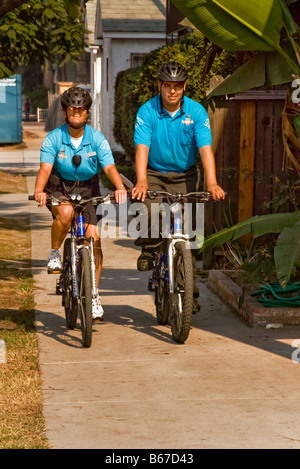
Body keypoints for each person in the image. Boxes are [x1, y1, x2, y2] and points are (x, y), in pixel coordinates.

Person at [131, 62, 225, 311]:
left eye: (177, 86)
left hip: (186, 176)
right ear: (159, 86)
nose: (172, 91)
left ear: (184, 87)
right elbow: (142, 148)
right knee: (149, 211)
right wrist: (141, 180)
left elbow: (205, 150)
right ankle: (150, 250)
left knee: (189, 235)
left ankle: (189, 293)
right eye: (167, 86)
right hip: (154, 174)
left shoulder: (197, 112)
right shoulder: (147, 111)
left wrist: (212, 182)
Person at [34, 86, 127, 320]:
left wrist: (119, 186)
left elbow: (109, 167)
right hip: (59, 187)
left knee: (94, 241)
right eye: (72, 108)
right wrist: (38, 190)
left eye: (81, 109)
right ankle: (55, 252)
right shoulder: (54, 138)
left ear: (87, 112)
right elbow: (45, 168)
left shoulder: (97, 138)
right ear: (65, 111)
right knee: (65, 214)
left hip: (89, 189)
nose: (77, 112)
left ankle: (94, 294)